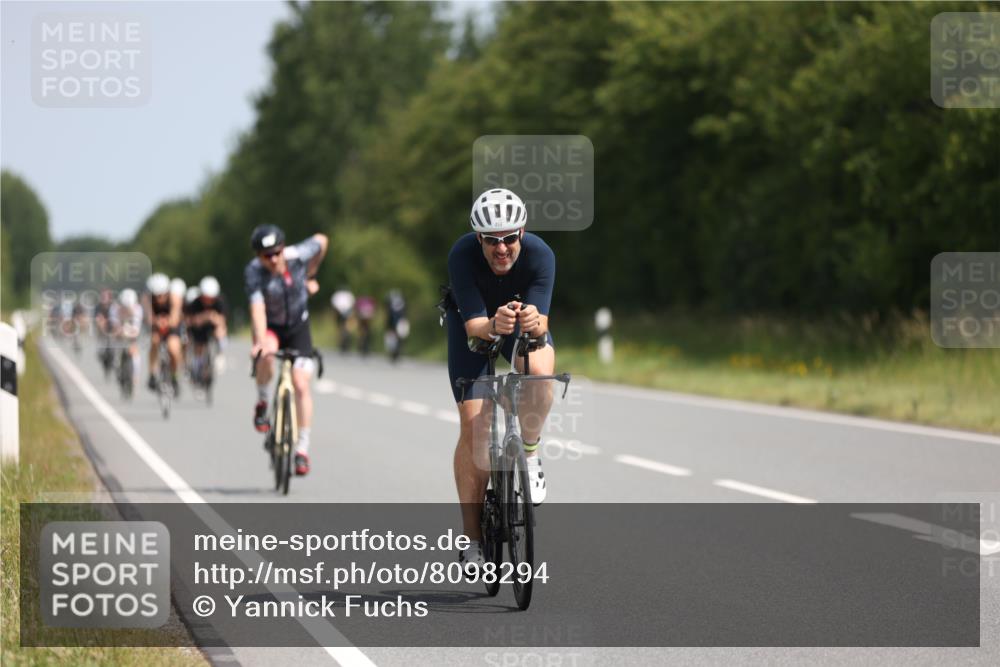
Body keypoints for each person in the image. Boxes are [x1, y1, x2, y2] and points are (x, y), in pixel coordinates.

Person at [444, 188, 557, 572]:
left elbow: (543, 322)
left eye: (509, 238)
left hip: (518, 325)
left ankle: (530, 450)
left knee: (541, 375)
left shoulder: (542, 255)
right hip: (473, 330)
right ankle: (472, 540)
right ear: (479, 239)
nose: (502, 248)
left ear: (522, 233)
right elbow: (475, 328)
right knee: (476, 429)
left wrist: (532, 320)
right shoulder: (462, 255)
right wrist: (493, 324)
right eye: (492, 240)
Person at [245, 224, 328, 476]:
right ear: (258, 256)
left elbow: (322, 240)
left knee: (301, 384)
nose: (273, 259)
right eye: (266, 255)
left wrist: (311, 274)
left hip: (298, 326)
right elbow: (257, 308)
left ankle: (302, 449)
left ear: (283, 249)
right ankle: (262, 400)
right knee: (267, 354)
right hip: (271, 326)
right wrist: (260, 341)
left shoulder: (298, 255)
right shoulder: (254, 272)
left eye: (276, 253)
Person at [144, 272, 183, 395]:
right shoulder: (146, 299)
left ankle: (174, 376)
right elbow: (149, 317)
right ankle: (152, 373)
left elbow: (175, 317)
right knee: (154, 341)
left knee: (174, 349)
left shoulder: (175, 297)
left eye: (162, 295)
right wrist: (156, 322)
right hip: (156, 327)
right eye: (156, 296)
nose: (159, 299)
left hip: (171, 327)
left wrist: (167, 322)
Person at [187, 276, 229, 384]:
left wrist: (214, 318)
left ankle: (220, 354)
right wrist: (205, 316)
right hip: (199, 328)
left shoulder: (220, 302)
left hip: (213, 326)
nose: (208, 301)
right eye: (206, 298)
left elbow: (223, 320)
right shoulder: (195, 303)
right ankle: (197, 367)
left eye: (211, 298)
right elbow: (191, 321)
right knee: (199, 345)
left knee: (220, 332)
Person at [111, 288, 143, 391]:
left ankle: (135, 376)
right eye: (124, 307)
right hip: (119, 331)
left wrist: (130, 332)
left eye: (129, 307)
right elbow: (114, 326)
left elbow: (136, 328)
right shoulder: (114, 308)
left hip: (131, 331)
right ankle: (117, 365)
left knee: (134, 351)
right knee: (116, 349)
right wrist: (118, 332)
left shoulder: (138, 309)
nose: (126, 309)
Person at [384, 289, 409, 363]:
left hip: (396, 322)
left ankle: (395, 351)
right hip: (399, 322)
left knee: (396, 337)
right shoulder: (401, 302)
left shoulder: (391, 303)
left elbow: (388, 314)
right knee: (399, 337)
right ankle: (396, 351)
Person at [330, 288, 355, 354]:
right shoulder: (349, 294)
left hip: (340, 313)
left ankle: (342, 341)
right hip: (347, 312)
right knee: (346, 327)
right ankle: (345, 339)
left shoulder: (337, 295)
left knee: (340, 328)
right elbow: (352, 304)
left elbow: (334, 305)